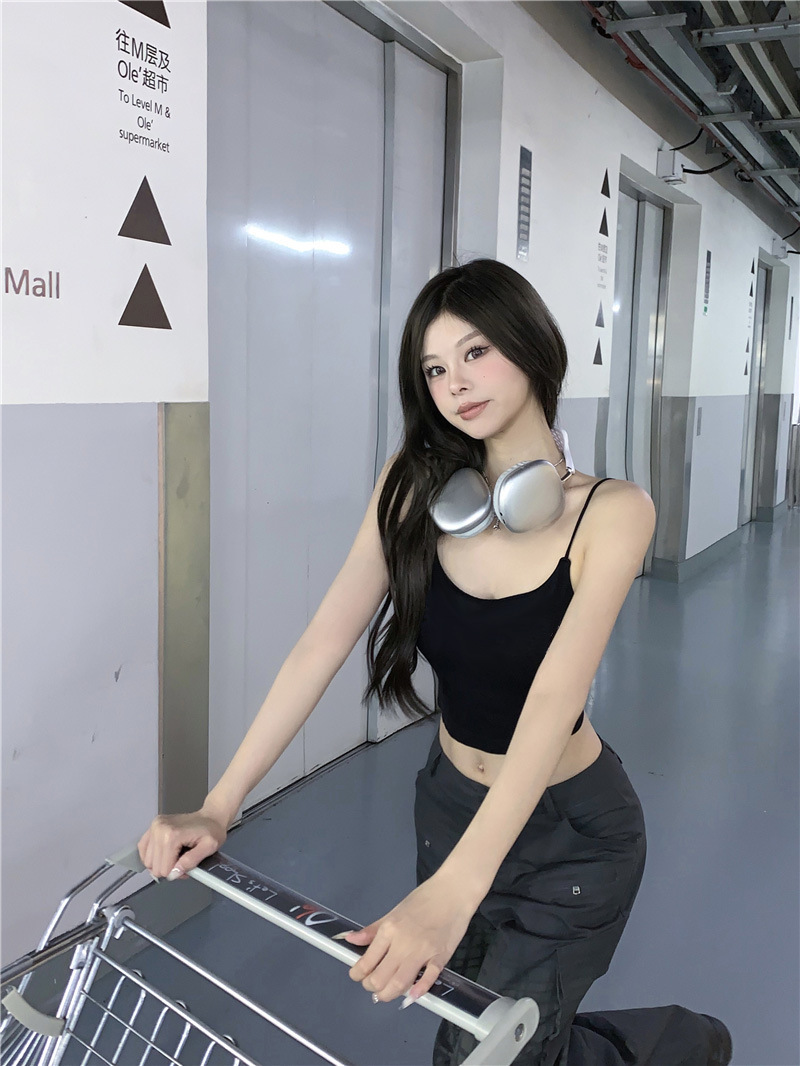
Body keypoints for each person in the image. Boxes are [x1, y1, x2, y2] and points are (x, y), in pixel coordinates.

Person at [139, 259, 732, 1066]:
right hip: (449, 803)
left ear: (532, 345)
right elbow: (321, 643)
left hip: (572, 833)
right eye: (435, 368)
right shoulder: (415, 489)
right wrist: (218, 805)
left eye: (476, 351)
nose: (456, 383)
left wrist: (456, 889)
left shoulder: (613, 511)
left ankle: (675, 1046)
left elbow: (554, 696)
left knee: (494, 1050)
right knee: (484, 1021)